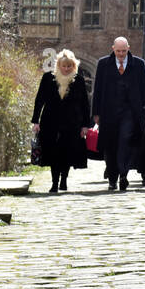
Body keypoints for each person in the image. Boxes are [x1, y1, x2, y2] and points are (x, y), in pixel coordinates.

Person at [91, 37, 145, 191]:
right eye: (118, 51)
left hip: (130, 112)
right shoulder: (103, 64)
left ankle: (123, 174)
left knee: (126, 140)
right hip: (109, 112)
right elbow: (97, 89)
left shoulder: (138, 64)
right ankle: (112, 177)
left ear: (128, 48)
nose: (121, 54)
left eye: (124, 51)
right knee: (111, 145)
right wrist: (96, 113)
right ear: (113, 49)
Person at [32, 49, 91, 194]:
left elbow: (85, 103)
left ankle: (64, 179)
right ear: (58, 65)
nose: (66, 69)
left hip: (72, 122)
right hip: (50, 120)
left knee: (67, 152)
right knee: (53, 152)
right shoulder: (48, 78)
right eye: (63, 66)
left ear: (73, 66)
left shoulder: (78, 80)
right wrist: (35, 121)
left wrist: (85, 125)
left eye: (69, 66)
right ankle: (54, 183)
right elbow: (39, 99)